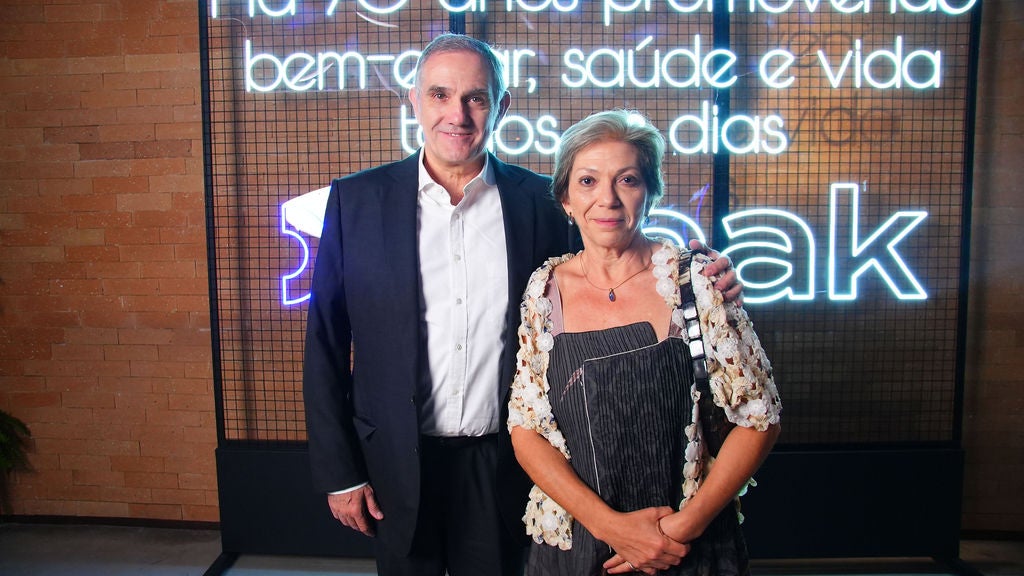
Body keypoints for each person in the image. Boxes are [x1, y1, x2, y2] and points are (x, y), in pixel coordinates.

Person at [303, 34, 741, 576]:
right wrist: (340, 471)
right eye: (440, 95)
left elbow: (613, 257)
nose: (457, 114)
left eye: (476, 98)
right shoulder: (356, 200)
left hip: (507, 463)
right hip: (392, 461)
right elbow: (326, 340)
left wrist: (702, 279)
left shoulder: (540, 202)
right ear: (413, 100)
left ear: (502, 106)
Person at [508, 110, 782, 576]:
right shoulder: (544, 288)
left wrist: (681, 529)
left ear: (650, 193)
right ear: (566, 199)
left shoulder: (696, 282)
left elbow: (760, 418)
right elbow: (526, 428)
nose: (607, 199)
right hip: (578, 546)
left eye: (628, 180)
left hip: (685, 546)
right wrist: (612, 527)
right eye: (588, 181)